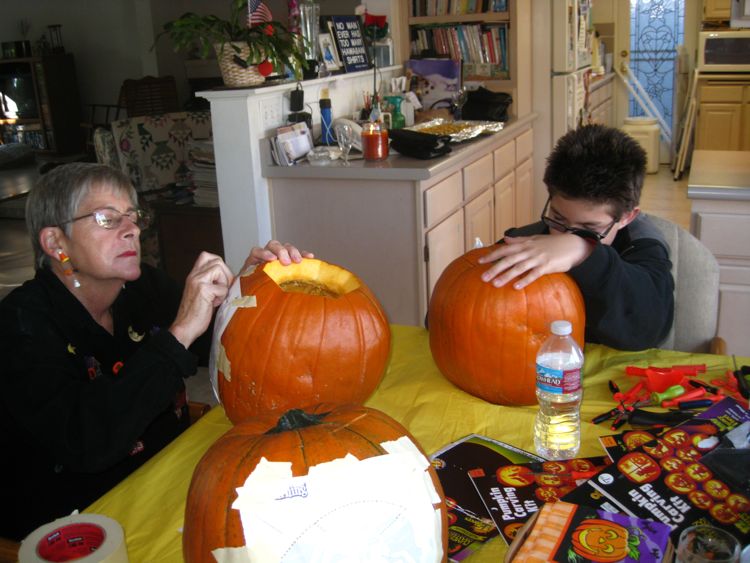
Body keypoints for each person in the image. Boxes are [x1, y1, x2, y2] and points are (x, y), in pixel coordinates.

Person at [0, 163, 313, 541]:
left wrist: (249, 291)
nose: (132, 229)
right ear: (56, 244)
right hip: (82, 526)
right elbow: (88, 441)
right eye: (107, 219)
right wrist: (179, 331)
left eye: (133, 216)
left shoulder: (140, 287)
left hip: (174, 482)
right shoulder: (20, 325)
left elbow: (228, 348)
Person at [478, 124, 674, 351]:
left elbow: (649, 329)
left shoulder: (643, 245)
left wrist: (585, 252)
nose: (566, 236)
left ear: (627, 217)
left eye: (589, 227)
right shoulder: (530, 237)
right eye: (558, 218)